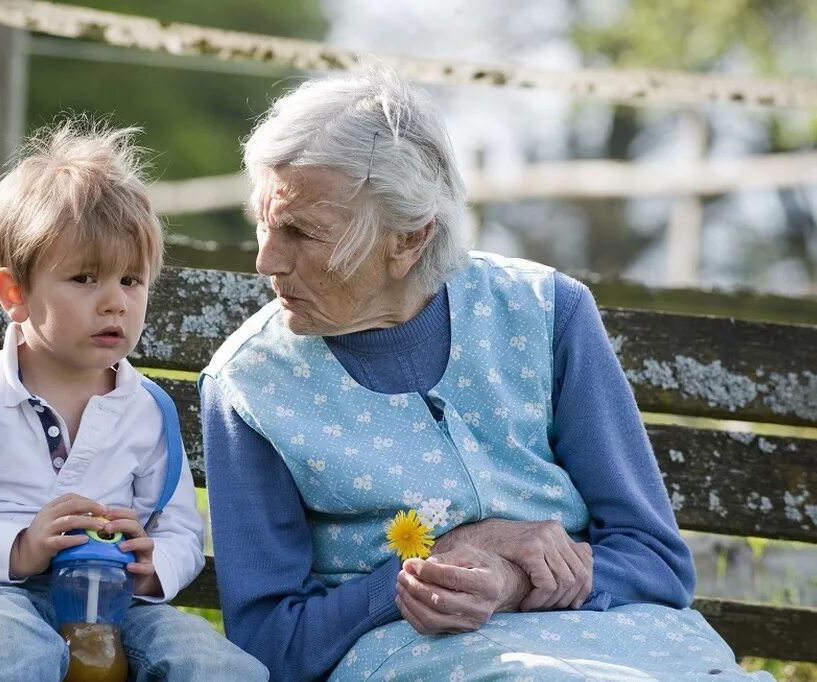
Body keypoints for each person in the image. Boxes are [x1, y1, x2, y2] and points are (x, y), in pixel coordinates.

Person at [200, 68, 772, 680]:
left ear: (409, 240)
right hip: (423, 657)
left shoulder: (545, 313)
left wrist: (509, 577)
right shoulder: (252, 384)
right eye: (264, 222)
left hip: (630, 641)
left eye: (302, 233)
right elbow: (268, 642)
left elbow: (654, 560)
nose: (266, 260)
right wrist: (421, 576)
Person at [0, 119, 268, 682]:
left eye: (132, 281)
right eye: (86, 278)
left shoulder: (148, 409)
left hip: (117, 608)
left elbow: (181, 529)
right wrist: (18, 546)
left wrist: (149, 565)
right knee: (14, 650)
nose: (114, 302)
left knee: (211, 663)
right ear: (15, 293)